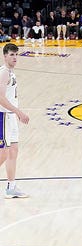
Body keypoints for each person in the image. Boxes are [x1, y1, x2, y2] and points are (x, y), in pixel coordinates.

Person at [0, 43, 30, 199]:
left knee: (13, 151)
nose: (15, 57)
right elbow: (0, 98)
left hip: (11, 117)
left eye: (16, 54)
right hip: (4, 116)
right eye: (11, 54)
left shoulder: (11, 73)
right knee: (4, 153)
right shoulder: (4, 72)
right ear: (5, 56)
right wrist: (18, 111)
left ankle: (11, 187)